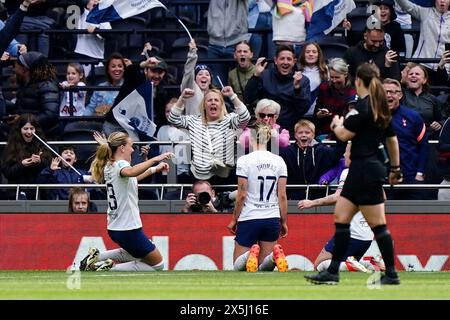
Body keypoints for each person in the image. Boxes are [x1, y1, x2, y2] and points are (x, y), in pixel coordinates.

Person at [304, 63, 403, 285]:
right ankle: (334, 271)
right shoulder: (380, 107)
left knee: (369, 223)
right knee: (345, 218)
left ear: (358, 81)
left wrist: (336, 124)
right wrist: (395, 169)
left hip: (362, 170)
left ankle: (390, 274)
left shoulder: (361, 107)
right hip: (371, 169)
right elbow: (392, 140)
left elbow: (344, 135)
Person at [79, 131, 174, 272]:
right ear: (122, 148)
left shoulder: (110, 166)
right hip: (128, 228)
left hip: (116, 227)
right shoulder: (121, 164)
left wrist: (155, 169)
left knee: (136, 254)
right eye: (131, 146)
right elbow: (132, 172)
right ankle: (107, 269)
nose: (133, 149)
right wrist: (156, 159)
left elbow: (132, 177)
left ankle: (97, 257)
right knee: (158, 265)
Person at [298, 143, 385, 273]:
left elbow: (337, 197)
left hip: (350, 234)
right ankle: (372, 262)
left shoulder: (348, 172)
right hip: (366, 236)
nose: (344, 155)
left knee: (319, 265)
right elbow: (383, 198)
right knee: (347, 270)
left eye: (347, 152)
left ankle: (363, 264)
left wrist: (312, 203)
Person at [227, 122, 289, 272]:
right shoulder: (279, 161)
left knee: (238, 267)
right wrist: (284, 221)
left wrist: (234, 219)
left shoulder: (244, 160)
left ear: (251, 137)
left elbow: (242, 194)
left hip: (249, 217)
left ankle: (250, 253)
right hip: (271, 217)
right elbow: (282, 195)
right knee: (264, 269)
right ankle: (273, 258)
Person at [169, 87, 250, 184]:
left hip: (224, 177)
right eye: (209, 100)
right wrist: (182, 98)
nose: (213, 102)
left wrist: (233, 96)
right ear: (204, 105)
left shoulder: (229, 120)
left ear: (221, 105)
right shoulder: (194, 121)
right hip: (200, 178)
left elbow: (245, 117)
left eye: (216, 100)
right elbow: (173, 119)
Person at [244, 44, 311, 135]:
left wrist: (297, 88)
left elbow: (303, 109)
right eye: (282, 58)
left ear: (294, 61)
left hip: (289, 129)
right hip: (265, 126)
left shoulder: (302, 80)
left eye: (289, 59)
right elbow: (248, 98)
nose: (285, 62)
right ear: (276, 60)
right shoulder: (264, 75)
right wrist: (256, 75)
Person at [383, 78, 429, 200]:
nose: (389, 95)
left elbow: (424, 146)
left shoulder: (413, 117)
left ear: (400, 95)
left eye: (393, 92)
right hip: (383, 179)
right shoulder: (372, 117)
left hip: (410, 177)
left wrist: (419, 173)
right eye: (385, 92)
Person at [280, 119, 344, 200]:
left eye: (307, 132)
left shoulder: (322, 150)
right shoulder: (287, 152)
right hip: (293, 198)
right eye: (300, 132)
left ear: (313, 135)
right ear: (295, 135)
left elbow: (339, 152)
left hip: (318, 197)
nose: (304, 135)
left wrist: (338, 130)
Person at [1, 113, 51, 200]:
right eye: (25, 128)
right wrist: (21, 165)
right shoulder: (11, 147)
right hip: (15, 194)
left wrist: (40, 161)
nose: (29, 132)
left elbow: (49, 168)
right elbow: (7, 173)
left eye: (32, 128)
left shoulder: (42, 145)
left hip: (37, 193)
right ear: (19, 130)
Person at [314, 58, 357, 140]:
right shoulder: (324, 87)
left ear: (345, 74)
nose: (334, 81)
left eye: (337, 77)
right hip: (324, 131)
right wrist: (319, 115)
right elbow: (316, 112)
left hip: (346, 132)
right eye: (332, 77)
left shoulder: (354, 90)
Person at [84, 52, 125, 116]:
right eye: (113, 66)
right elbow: (91, 108)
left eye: (120, 66)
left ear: (124, 69)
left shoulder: (128, 87)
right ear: (108, 70)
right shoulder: (100, 87)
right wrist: (82, 119)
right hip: (99, 123)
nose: (117, 69)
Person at [180, 39, 213, 116]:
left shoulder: (214, 95)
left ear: (210, 80)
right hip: (192, 127)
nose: (204, 76)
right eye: (200, 74)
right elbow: (188, 71)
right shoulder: (190, 88)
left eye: (207, 74)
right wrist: (192, 53)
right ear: (194, 79)